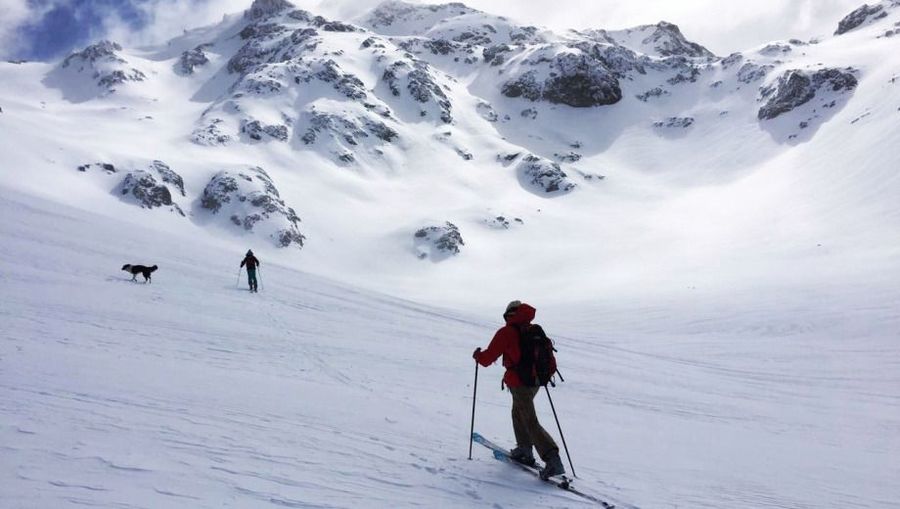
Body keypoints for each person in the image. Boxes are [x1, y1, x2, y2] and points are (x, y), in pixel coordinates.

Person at [472, 300, 565, 480]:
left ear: (509, 314)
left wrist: (477, 355)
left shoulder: (507, 332)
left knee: (529, 419)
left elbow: (487, 358)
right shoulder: (533, 330)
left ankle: (552, 459)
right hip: (535, 382)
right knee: (518, 412)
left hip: (519, 382)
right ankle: (524, 449)